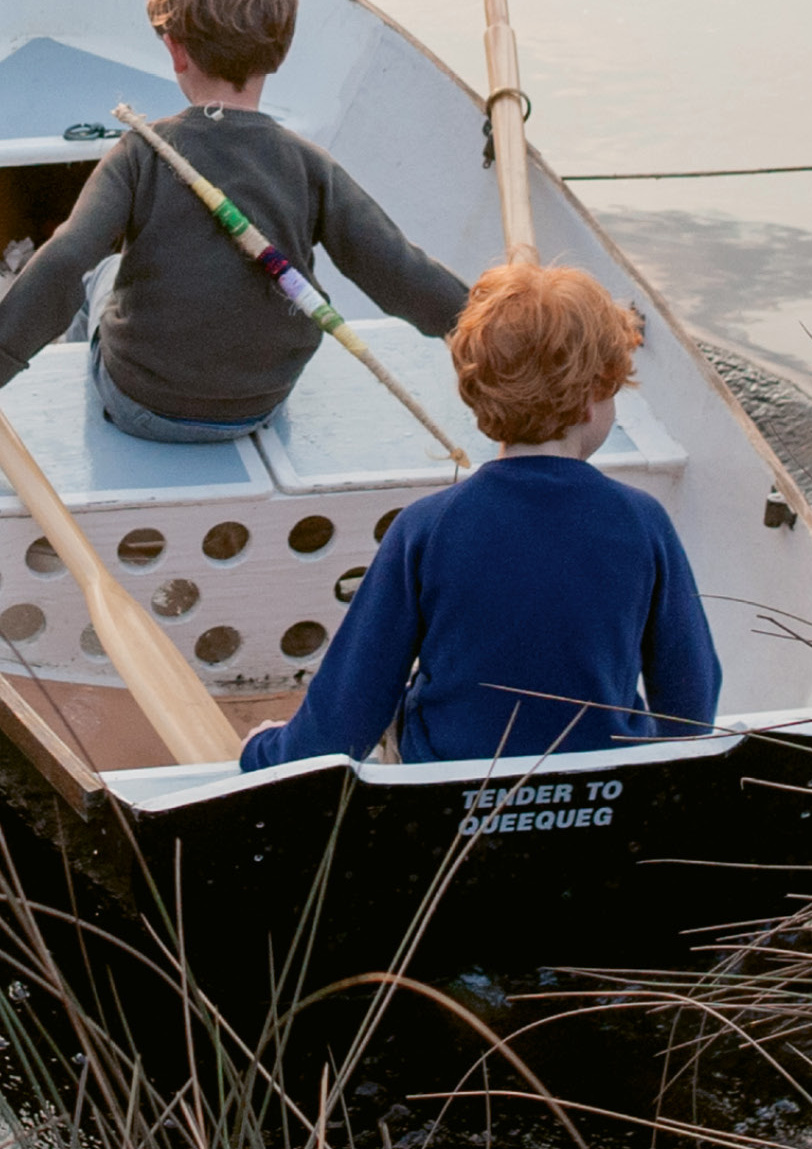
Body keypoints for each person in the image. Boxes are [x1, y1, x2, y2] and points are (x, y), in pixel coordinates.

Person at [0, 0, 468, 444]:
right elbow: (395, 269)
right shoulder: (309, 165)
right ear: (277, 54)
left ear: (175, 51)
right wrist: (479, 319)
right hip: (261, 404)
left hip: (142, 405)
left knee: (99, 273)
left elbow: (68, 255)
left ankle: (84, 413)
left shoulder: (142, 152)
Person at [236, 258, 720, 772]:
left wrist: (265, 751)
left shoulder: (428, 527)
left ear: (478, 394)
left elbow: (341, 722)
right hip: (596, 791)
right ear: (590, 401)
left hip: (452, 793)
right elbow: (691, 706)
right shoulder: (643, 522)